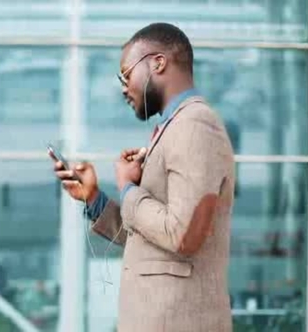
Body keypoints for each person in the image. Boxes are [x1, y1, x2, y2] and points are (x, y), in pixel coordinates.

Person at [53, 23, 235, 331]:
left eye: (125, 74)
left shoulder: (195, 125)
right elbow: (152, 239)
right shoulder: (173, 128)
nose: (123, 87)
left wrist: (127, 187)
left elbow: (183, 235)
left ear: (158, 63)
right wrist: (95, 200)